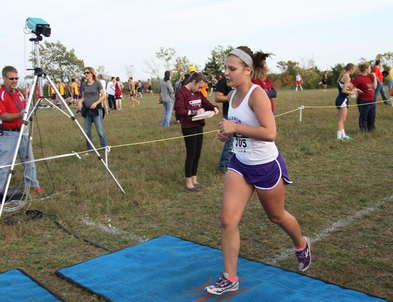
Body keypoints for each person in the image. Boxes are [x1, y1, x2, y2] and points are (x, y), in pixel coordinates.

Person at [205, 46, 311, 296]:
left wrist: (234, 127)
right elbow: (236, 130)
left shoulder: (257, 95)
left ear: (247, 71)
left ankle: (301, 244)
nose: (226, 74)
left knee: (276, 216)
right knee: (228, 220)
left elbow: (269, 133)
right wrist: (225, 134)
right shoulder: (231, 97)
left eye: (232, 69)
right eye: (226, 69)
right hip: (240, 163)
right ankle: (230, 277)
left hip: (265, 166)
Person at [0, 66, 43, 193]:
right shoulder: (1, 94)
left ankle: (34, 185)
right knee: (4, 165)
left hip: (22, 132)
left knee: (29, 160)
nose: (14, 81)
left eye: (16, 78)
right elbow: (2, 115)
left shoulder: (18, 93)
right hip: (8, 134)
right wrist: (19, 115)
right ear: (4, 78)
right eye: (11, 78)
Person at [174, 72, 219, 192]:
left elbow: (206, 103)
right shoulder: (182, 92)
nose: (200, 90)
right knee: (191, 154)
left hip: (199, 125)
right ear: (193, 82)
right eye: (199, 87)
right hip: (188, 127)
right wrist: (194, 112)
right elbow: (179, 110)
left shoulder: (198, 93)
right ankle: (188, 182)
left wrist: (214, 107)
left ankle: (194, 179)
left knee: (197, 153)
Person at [77, 67, 108, 153]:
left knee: (100, 131)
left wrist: (96, 103)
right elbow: (83, 97)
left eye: (87, 73)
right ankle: (90, 149)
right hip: (87, 111)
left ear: (92, 74)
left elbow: (103, 96)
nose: (86, 74)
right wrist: (80, 102)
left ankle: (105, 147)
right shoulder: (84, 85)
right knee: (87, 132)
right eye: (85, 73)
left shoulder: (97, 84)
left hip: (96, 110)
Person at [335, 64, 361, 141]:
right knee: (342, 119)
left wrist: (355, 90)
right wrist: (353, 93)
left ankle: (344, 135)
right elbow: (344, 90)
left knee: (342, 119)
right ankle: (339, 137)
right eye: (354, 69)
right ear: (351, 69)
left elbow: (346, 87)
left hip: (341, 99)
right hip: (343, 99)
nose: (354, 71)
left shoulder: (344, 76)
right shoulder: (347, 77)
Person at [352, 63, 378, 132]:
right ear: (366, 69)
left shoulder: (369, 77)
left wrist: (375, 77)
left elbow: (375, 87)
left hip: (371, 100)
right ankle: (364, 130)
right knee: (364, 117)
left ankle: (371, 129)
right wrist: (357, 90)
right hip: (363, 100)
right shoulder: (359, 78)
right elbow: (350, 86)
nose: (370, 69)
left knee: (372, 116)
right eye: (369, 68)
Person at [215, 75, 233, 172]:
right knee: (230, 142)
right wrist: (233, 96)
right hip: (229, 114)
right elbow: (217, 97)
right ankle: (224, 167)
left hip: (242, 113)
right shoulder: (223, 81)